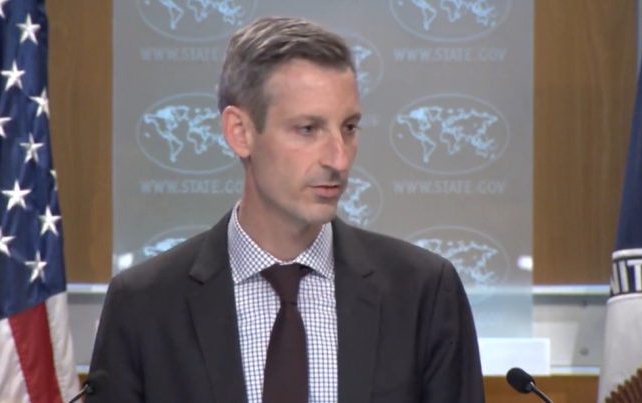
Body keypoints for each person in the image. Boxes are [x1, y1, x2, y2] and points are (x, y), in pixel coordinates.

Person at [87, 16, 484, 403]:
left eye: (348, 128)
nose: (339, 159)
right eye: (308, 129)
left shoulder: (423, 293)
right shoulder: (144, 305)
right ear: (240, 132)